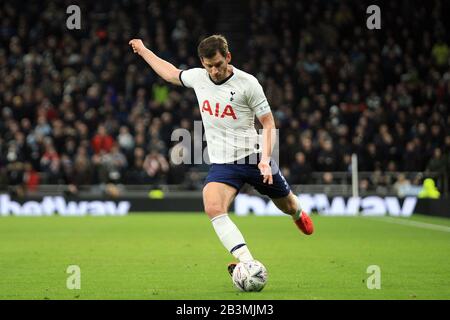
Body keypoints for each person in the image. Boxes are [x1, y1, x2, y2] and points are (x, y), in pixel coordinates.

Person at [129, 35, 314, 276]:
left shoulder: (248, 84)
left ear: (228, 57)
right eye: (209, 66)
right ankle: (247, 262)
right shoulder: (198, 77)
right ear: (202, 63)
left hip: (253, 157)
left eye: (218, 64)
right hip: (223, 163)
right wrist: (143, 50)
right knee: (213, 206)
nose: (214, 71)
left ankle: (298, 214)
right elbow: (169, 73)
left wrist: (266, 161)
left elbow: (268, 124)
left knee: (287, 205)